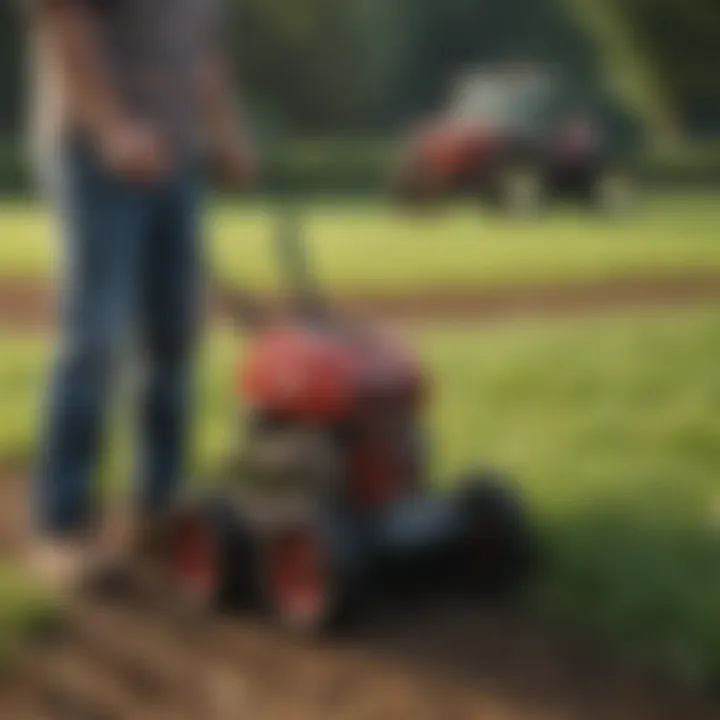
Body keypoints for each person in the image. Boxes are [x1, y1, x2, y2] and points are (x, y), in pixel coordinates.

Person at [24, 0, 256, 589]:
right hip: (93, 152)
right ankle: (61, 525)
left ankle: (159, 510)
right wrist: (112, 130)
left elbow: (203, 50)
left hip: (173, 156)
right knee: (96, 336)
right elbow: (62, 21)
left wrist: (226, 131)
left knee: (177, 333)